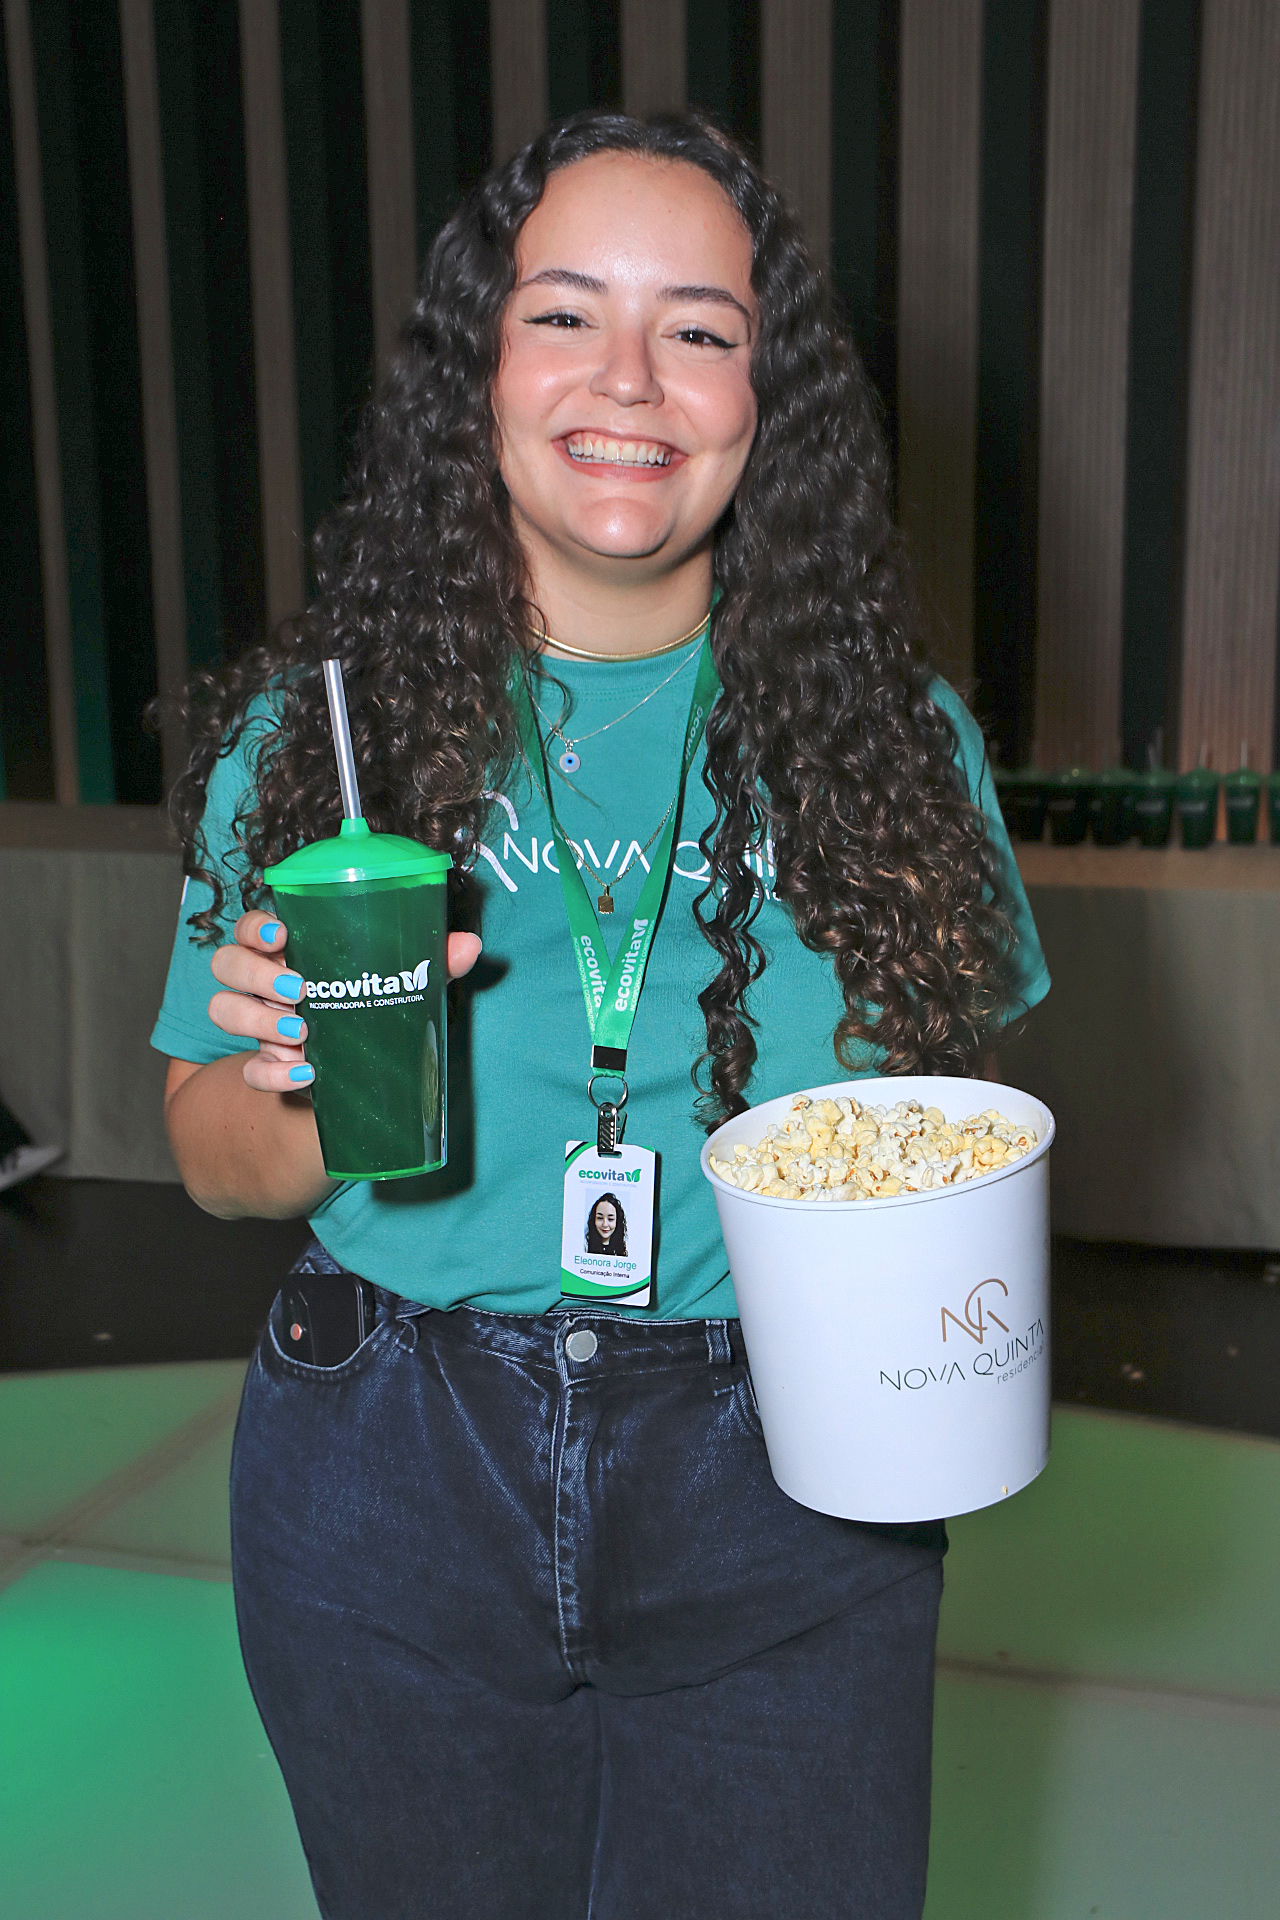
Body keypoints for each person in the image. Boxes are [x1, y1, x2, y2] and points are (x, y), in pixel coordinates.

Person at [153, 110, 1049, 1920]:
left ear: (766, 399)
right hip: (387, 1463)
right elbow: (213, 1157)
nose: (629, 378)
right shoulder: (321, 747)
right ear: (476, 373)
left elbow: (949, 1136)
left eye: (699, 329)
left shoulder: (896, 747)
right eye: (564, 313)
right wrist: (330, 1083)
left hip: (788, 1484)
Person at [586, 1191, 627, 1255]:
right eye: (600, 1218)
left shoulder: (625, 1249)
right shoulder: (584, 1247)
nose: (605, 1224)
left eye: (610, 1219)